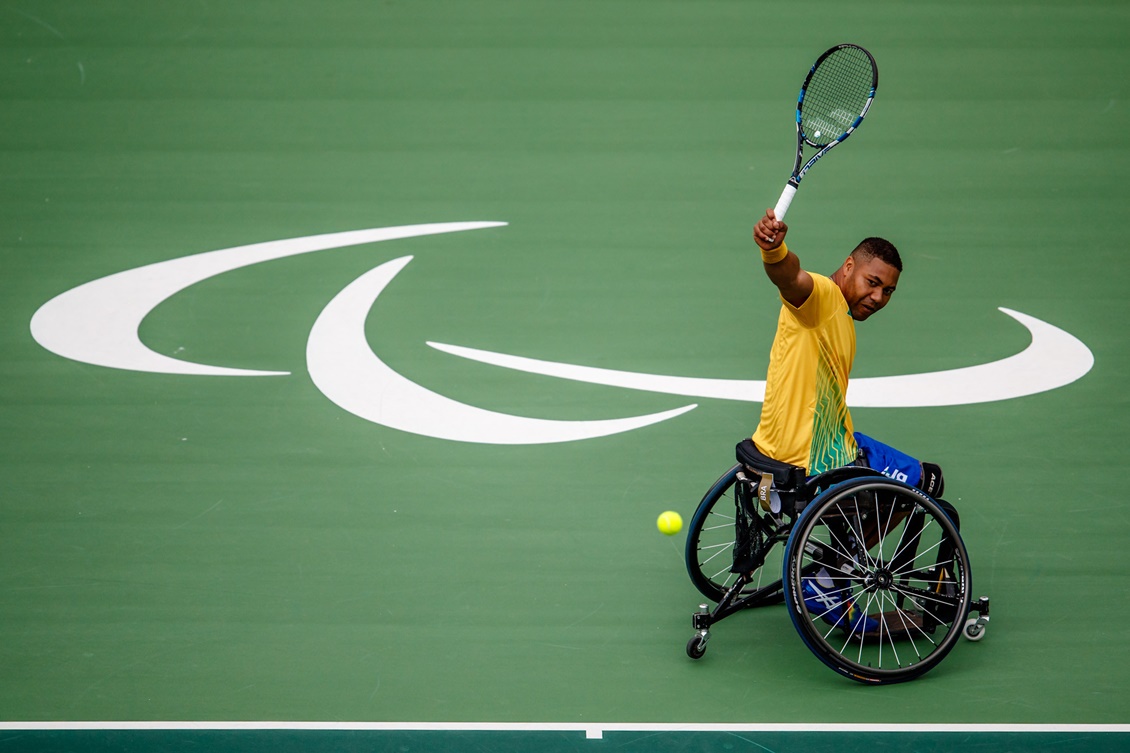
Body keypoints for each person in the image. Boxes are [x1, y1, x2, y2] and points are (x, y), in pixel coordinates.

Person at [749, 207, 944, 497]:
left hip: (773, 443)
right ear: (849, 266)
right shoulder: (823, 300)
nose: (878, 298)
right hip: (813, 456)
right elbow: (790, 279)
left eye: (888, 291)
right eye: (873, 283)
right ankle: (855, 545)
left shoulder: (842, 315)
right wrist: (775, 251)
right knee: (927, 481)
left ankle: (848, 538)